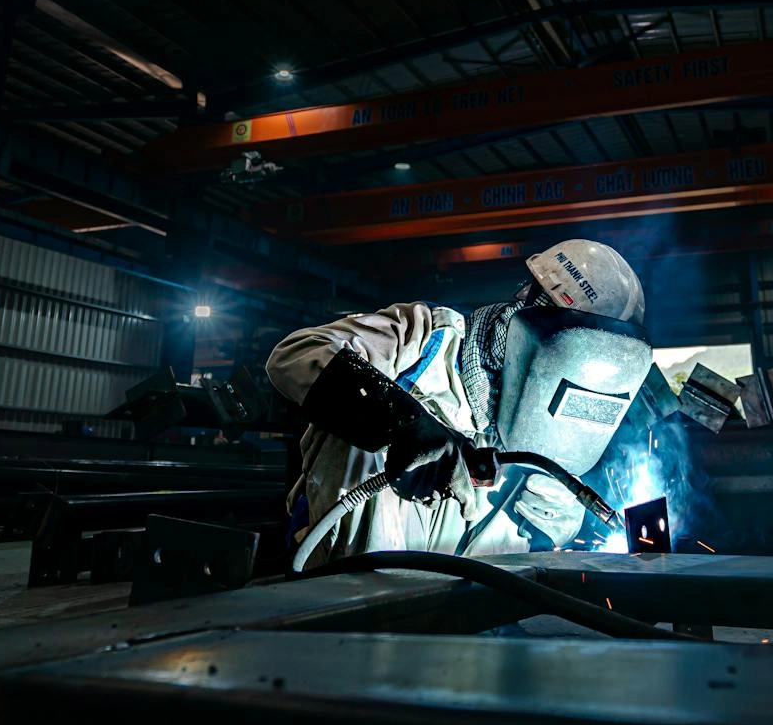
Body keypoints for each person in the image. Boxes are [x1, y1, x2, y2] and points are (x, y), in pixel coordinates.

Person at [267, 239, 648, 567]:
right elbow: (293, 355)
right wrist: (403, 421)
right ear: (529, 300)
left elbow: (553, 531)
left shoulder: (553, 414)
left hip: (463, 613)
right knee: (357, 400)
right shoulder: (425, 337)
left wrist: (562, 520)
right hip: (347, 582)